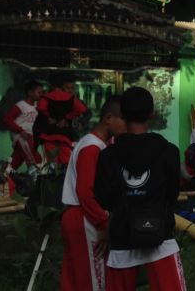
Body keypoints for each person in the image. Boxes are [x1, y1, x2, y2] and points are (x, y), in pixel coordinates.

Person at [95, 87, 185, 291]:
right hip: (160, 236)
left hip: (121, 236)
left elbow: (103, 198)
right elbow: (172, 194)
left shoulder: (108, 156)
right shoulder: (169, 151)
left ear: (123, 115)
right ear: (151, 114)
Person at [60, 96, 126, 291]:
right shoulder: (92, 148)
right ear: (108, 118)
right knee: (95, 278)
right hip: (86, 216)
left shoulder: (92, 144)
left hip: (78, 215)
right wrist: (103, 222)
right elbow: (84, 192)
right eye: (123, 118)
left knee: (76, 277)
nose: (126, 124)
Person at [34, 73, 87, 164]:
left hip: (49, 135)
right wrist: (66, 118)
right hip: (64, 135)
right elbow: (82, 109)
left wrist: (50, 117)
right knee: (65, 164)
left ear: (50, 84)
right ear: (62, 85)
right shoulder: (70, 97)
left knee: (51, 164)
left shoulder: (46, 97)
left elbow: (41, 108)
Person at [3, 80, 43, 172]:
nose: (41, 95)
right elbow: (7, 119)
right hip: (22, 136)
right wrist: (20, 131)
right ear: (30, 92)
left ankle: (3, 177)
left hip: (30, 137)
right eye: (39, 92)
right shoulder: (21, 105)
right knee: (35, 159)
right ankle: (37, 181)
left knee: (15, 161)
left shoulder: (37, 107)